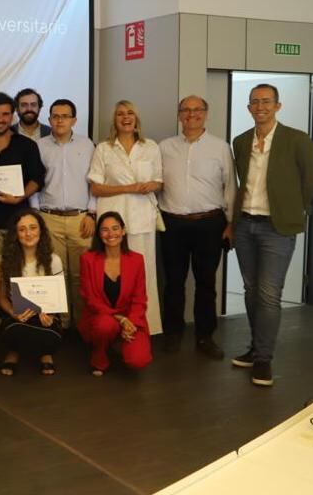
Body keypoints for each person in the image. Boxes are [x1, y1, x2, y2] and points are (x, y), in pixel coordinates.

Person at [231, 83, 313, 387]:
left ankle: (264, 359)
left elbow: (309, 181)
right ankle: (256, 347)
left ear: (277, 106)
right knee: (251, 290)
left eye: (266, 102)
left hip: (276, 228)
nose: (260, 107)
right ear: (249, 108)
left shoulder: (297, 139)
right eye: (254, 102)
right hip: (245, 225)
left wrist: (295, 210)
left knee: (269, 294)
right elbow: (241, 181)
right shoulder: (240, 142)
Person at [159, 95, 236, 357]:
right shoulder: (164, 147)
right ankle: (173, 334)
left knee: (206, 284)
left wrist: (230, 224)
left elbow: (230, 188)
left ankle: (205, 337)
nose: (191, 114)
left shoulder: (220, 147)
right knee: (173, 283)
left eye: (197, 110)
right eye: (186, 110)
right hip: (172, 224)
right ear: (179, 115)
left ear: (206, 113)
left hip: (209, 224)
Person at [88, 100, 162, 335]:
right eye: (120, 113)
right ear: (114, 120)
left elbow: (159, 182)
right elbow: (96, 188)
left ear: (136, 118)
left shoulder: (151, 147)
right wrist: (129, 187)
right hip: (112, 221)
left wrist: (153, 184)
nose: (125, 117)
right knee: (112, 275)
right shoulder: (103, 148)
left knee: (143, 275)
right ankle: (112, 326)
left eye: (130, 112)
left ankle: (143, 328)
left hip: (141, 220)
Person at [32, 99, 96, 327]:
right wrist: (35, 214)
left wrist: (92, 213)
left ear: (74, 120)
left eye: (65, 116)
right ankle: (63, 323)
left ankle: (83, 323)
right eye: (55, 116)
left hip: (81, 219)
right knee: (56, 274)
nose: (60, 120)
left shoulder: (87, 145)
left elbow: (94, 182)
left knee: (81, 275)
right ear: (49, 120)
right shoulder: (39, 146)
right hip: (49, 218)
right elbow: (35, 182)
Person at [78, 211, 152, 376]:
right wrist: (120, 318)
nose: (111, 234)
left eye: (115, 228)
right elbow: (90, 299)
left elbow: (140, 299)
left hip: (130, 318)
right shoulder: (87, 259)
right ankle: (100, 352)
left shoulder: (137, 259)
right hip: (100, 317)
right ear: (99, 234)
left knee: (138, 360)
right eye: (105, 230)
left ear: (123, 231)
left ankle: (119, 342)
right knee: (105, 325)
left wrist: (130, 322)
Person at [0, 92, 46, 258]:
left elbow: (37, 178)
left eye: (5, 114)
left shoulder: (27, 145)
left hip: (17, 223)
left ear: (12, 116)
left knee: (15, 273)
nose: (0, 119)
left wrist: (20, 197)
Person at [0, 210, 65, 376]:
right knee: (12, 330)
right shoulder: (5, 260)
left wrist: (48, 313)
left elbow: (58, 297)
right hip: (18, 317)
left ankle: (45, 354)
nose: (28, 233)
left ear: (41, 231)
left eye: (33, 228)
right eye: (22, 229)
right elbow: (1, 297)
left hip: (45, 317)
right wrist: (14, 313)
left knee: (50, 334)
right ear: (15, 234)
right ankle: (14, 351)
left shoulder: (53, 260)